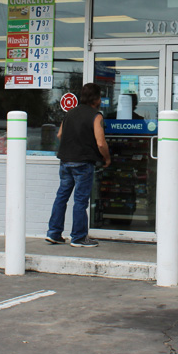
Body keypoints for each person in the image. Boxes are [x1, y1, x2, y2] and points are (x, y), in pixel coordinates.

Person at [48, 83, 111, 248]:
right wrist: (107, 158)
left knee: (62, 196)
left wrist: (71, 147)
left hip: (65, 161)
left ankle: (54, 233)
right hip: (83, 162)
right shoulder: (96, 116)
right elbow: (101, 143)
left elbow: (60, 134)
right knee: (81, 200)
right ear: (96, 98)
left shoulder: (70, 113)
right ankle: (78, 237)